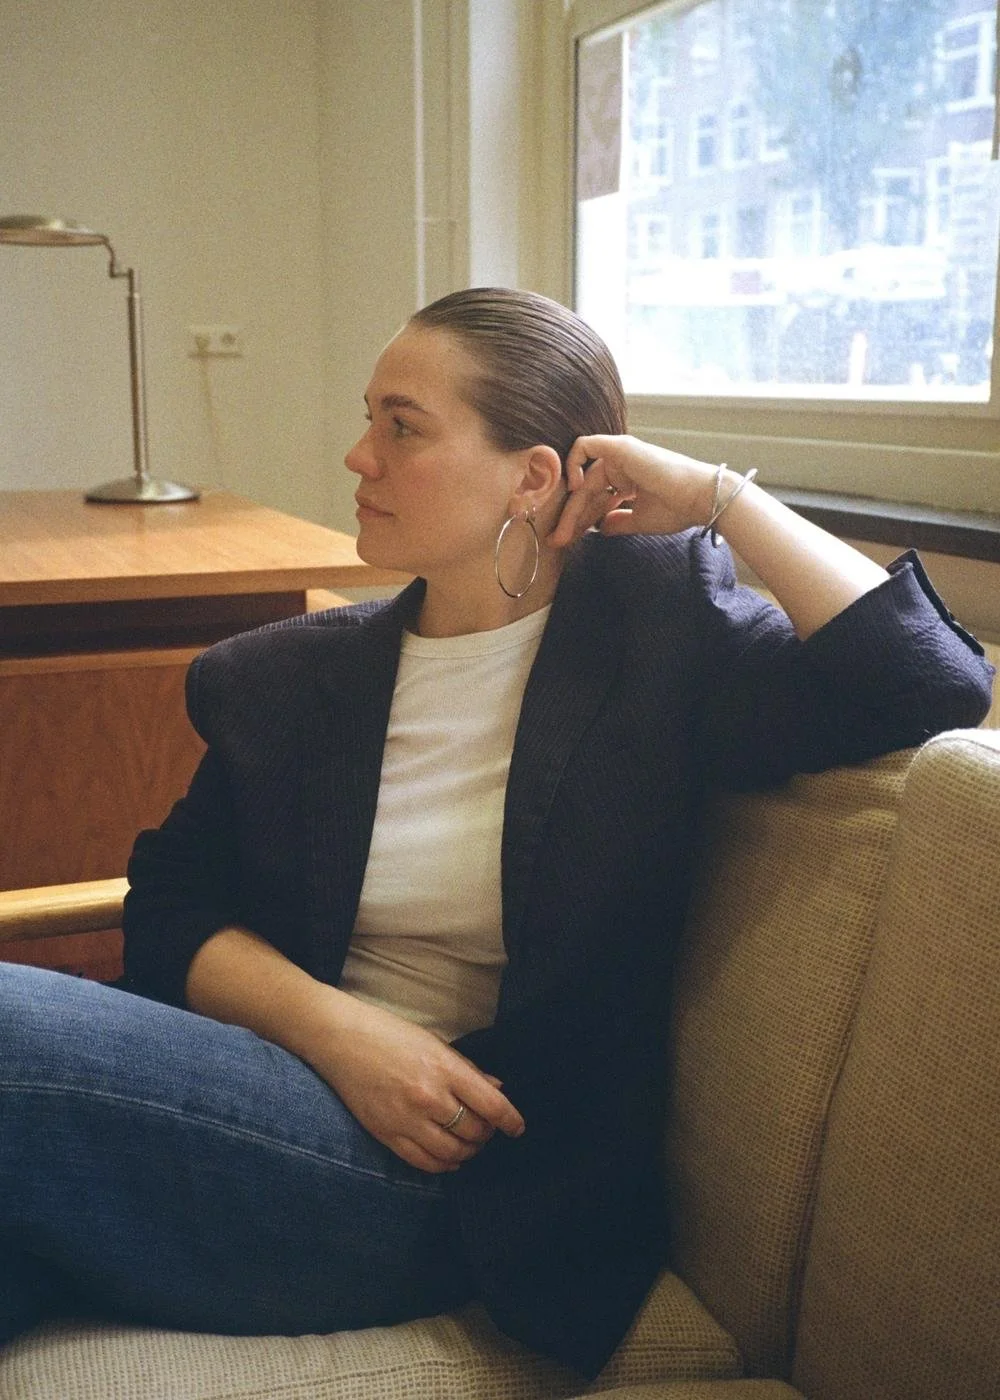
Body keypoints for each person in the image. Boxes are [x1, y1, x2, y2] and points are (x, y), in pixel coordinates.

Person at [0, 288, 993, 1378]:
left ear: (533, 475)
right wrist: (341, 1031)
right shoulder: (288, 679)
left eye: (401, 425)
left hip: (457, 1186)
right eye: (367, 418)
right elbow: (173, 909)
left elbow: (926, 680)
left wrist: (717, 497)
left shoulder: (660, 648)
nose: (355, 456)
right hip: (259, 1096)